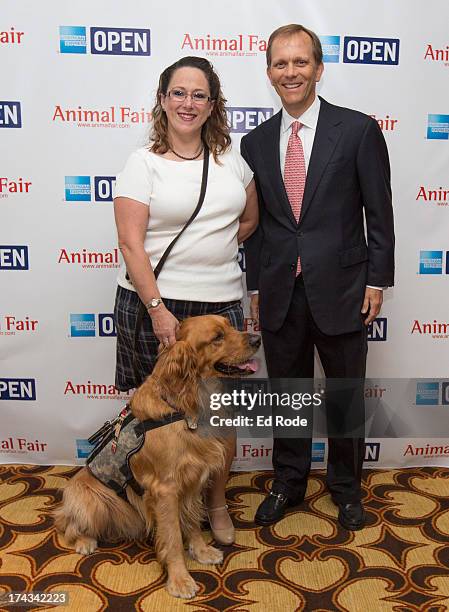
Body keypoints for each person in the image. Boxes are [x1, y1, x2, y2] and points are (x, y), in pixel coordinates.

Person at [241, 25, 394, 530]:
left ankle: (347, 488)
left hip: (346, 289)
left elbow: (380, 211)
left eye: (300, 62)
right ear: (269, 73)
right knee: (287, 393)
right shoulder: (256, 142)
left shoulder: (357, 130)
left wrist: (378, 279)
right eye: (281, 64)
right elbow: (259, 226)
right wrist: (257, 287)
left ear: (319, 68)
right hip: (281, 290)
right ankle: (288, 481)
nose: (291, 72)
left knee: (345, 393)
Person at [113, 56, 258, 545]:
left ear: (213, 104)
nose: (188, 103)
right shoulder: (143, 162)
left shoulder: (232, 160)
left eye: (199, 94)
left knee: (220, 420)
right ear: (162, 99)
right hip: (155, 305)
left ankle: (213, 506)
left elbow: (248, 222)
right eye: (178, 92)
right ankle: (151, 502)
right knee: (157, 421)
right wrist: (157, 309)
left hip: (220, 307)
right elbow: (131, 242)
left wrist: (209, 254)